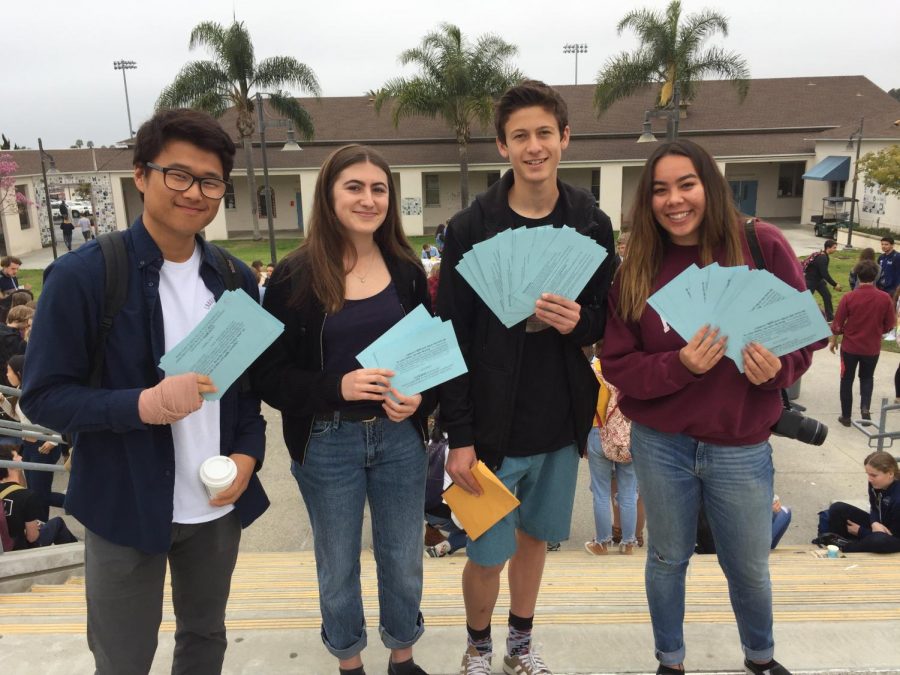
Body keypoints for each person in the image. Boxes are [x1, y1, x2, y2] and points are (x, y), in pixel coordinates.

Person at [20, 108, 269, 675]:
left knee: (206, 638)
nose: (194, 192)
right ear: (140, 174)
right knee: (124, 656)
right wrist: (143, 404)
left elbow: (246, 391)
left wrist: (249, 456)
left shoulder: (233, 279)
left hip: (214, 507)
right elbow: (44, 396)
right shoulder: (85, 276)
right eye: (177, 175)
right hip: (124, 503)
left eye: (210, 181)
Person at [602, 139, 820, 675]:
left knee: (747, 566)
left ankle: (760, 658)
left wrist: (781, 369)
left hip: (741, 445)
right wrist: (682, 366)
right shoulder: (636, 267)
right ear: (646, 201)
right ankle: (670, 661)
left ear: (710, 186)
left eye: (686, 184)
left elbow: (804, 338)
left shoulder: (761, 245)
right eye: (660, 190)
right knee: (666, 559)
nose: (674, 200)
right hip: (660, 444)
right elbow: (618, 365)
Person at [437, 80, 615, 675]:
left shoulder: (591, 223)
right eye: (520, 136)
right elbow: (452, 339)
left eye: (544, 133)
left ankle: (520, 644)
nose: (533, 146)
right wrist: (458, 436)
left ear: (564, 138)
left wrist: (579, 320)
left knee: (536, 541)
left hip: (559, 420)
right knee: (487, 555)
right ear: (502, 147)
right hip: (489, 427)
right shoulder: (470, 229)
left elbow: (604, 317)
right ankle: (478, 646)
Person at [252, 144, 433, 675]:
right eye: (354, 186)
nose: (368, 198)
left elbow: (426, 352)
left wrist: (421, 395)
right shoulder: (294, 275)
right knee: (338, 565)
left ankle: (402, 654)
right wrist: (339, 387)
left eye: (379, 189)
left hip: (400, 438)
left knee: (403, 559)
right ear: (329, 195)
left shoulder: (406, 269)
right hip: (327, 441)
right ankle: (348, 661)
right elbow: (270, 377)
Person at [584, 345, 638, 556]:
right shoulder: (631, 371)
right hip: (628, 435)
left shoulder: (593, 372)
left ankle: (602, 543)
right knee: (629, 492)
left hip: (598, 432)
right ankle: (628, 543)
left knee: (600, 492)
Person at [829, 260, 895, 426]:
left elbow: (837, 323)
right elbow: (889, 325)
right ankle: (865, 410)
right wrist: (877, 331)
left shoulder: (849, 297)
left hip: (850, 347)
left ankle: (846, 416)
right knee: (866, 378)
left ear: (857, 276)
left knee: (846, 379)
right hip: (871, 348)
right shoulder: (884, 298)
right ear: (876, 276)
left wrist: (835, 338)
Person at [5, 354, 64, 520]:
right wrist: (3, 402)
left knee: (40, 494)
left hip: (43, 446)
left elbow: (56, 416)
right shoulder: (18, 391)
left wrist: (53, 439)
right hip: (29, 446)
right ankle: (41, 526)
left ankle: (77, 504)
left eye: (9, 371)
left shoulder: (35, 391)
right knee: (35, 492)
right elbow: (21, 419)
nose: (6, 375)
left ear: (19, 372)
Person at [816, 451, 900, 553]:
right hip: (879, 527)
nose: (869, 479)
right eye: (868, 474)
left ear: (890, 473)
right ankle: (835, 544)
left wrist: (861, 532)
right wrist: (874, 522)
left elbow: (893, 537)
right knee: (837, 508)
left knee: (879, 541)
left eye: (874, 475)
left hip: (892, 537)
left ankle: (848, 548)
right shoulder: (876, 484)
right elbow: (874, 507)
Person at [0, 447, 77, 551]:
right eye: (16, 456)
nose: (21, 457)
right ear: (10, 465)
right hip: (20, 549)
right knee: (57, 523)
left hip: (4, 546)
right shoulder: (27, 496)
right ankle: (76, 555)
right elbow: (32, 538)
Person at [804, 239, 841, 321]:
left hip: (818, 281)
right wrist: (835, 284)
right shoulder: (822, 257)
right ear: (828, 248)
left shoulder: (824, 255)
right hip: (810, 281)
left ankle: (830, 317)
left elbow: (821, 273)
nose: (835, 249)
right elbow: (825, 274)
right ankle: (803, 317)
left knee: (827, 296)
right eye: (834, 248)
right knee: (806, 299)